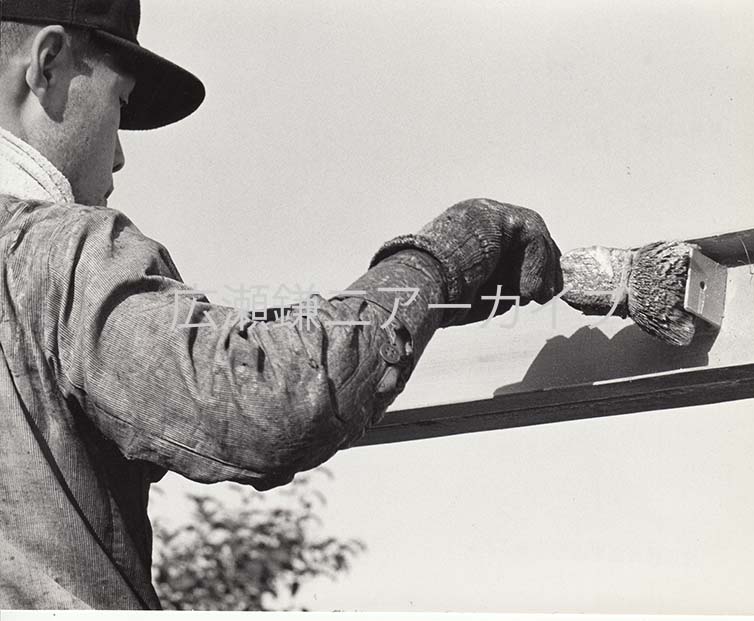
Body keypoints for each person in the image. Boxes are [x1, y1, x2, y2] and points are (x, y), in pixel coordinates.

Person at [0, 0, 562, 610]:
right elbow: (266, 399)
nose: (118, 156)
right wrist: (444, 262)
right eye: (121, 104)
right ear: (48, 64)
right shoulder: (58, 253)